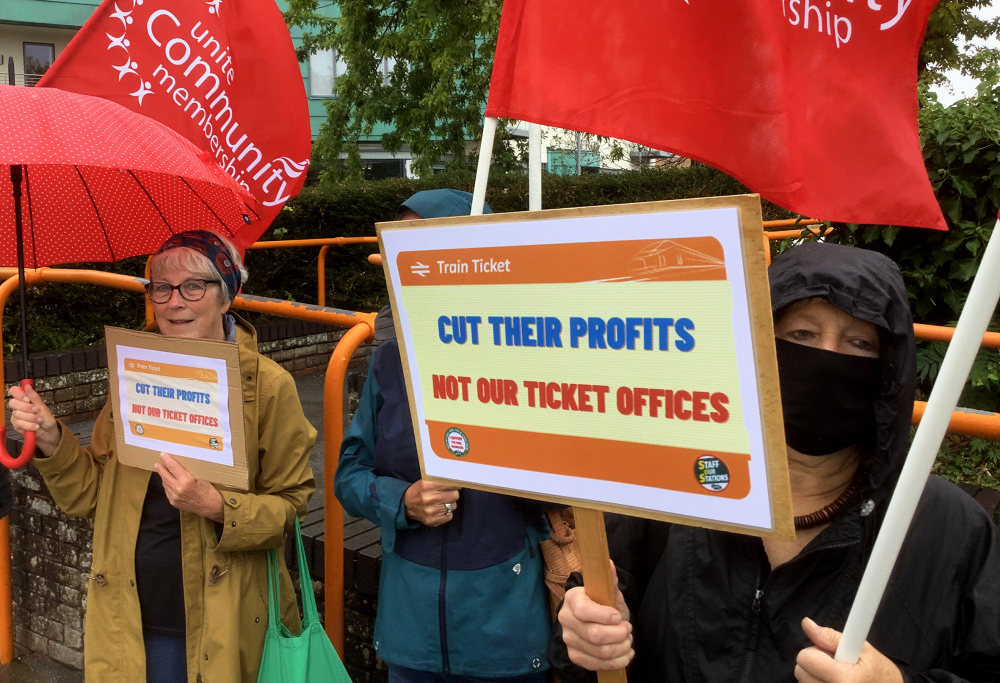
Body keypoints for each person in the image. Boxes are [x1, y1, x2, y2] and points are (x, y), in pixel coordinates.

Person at [552, 242, 1000, 682]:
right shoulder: (671, 484)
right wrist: (589, 633)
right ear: (757, 346)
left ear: (889, 370)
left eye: (859, 342)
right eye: (801, 335)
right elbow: (601, 621)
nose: (827, 356)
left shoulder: (950, 530)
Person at [8, 230, 317, 683]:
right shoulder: (135, 373)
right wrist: (52, 438)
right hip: (129, 618)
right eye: (160, 287)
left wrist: (215, 506)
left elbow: (290, 510)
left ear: (227, 296)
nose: (174, 302)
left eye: (194, 286)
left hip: (220, 623)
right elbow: (90, 495)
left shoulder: (267, 387)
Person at [335, 189, 553, 682]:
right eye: (399, 251)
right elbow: (349, 473)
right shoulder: (391, 361)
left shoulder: (536, 359)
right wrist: (401, 500)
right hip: (410, 636)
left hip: (508, 634)